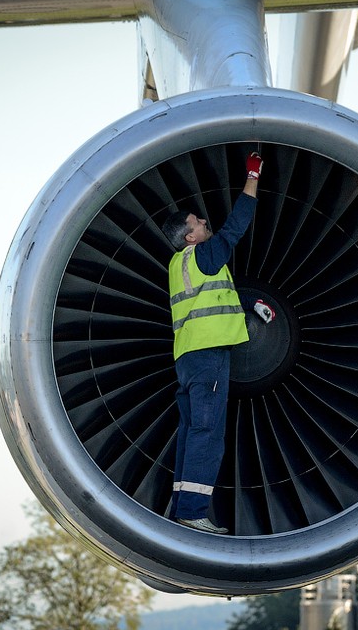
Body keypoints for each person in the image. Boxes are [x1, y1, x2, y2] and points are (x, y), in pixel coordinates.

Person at [160, 151, 275, 534]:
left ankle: (182, 506)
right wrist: (253, 177)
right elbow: (234, 228)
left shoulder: (182, 265)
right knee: (208, 434)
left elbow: (214, 296)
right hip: (209, 357)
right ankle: (193, 512)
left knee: (193, 431)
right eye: (197, 221)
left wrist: (250, 302)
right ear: (190, 236)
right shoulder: (205, 255)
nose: (204, 221)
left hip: (188, 358)